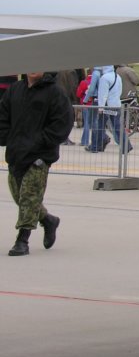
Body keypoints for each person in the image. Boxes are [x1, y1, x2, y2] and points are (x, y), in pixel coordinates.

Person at [0, 71, 74, 255]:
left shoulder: (55, 93)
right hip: (17, 153)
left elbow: (62, 123)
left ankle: (22, 239)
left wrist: (40, 142)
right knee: (19, 195)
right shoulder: (14, 90)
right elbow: (3, 116)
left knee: (29, 195)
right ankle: (48, 220)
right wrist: (8, 138)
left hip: (40, 155)